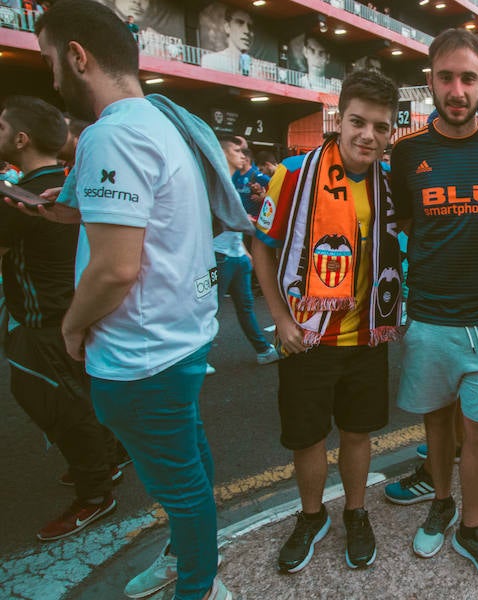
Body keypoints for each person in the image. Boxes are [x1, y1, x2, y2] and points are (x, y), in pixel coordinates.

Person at [32, 2, 253, 598]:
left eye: (52, 61)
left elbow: (113, 269)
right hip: (178, 339)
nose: (51, 77)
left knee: (180, 486)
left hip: (142, 354)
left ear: (78, 56)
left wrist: (72, 329)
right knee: (190, 468)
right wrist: (71, 208)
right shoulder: (163, 122)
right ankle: (187, 559)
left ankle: (199, 587)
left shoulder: (114, 133)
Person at [252, 69, 402, 574]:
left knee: (359, 434)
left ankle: (356, 513)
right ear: (340, 119)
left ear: (391, 131)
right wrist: (279, 318)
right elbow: (262, 247)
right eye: (358, 122)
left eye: (380, 127)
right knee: (307, 438)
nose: (368, 136)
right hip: (308, 336)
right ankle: (312, 516)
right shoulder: (293, 173)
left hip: (367, 335)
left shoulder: (390, 181)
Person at [390, 28, 478, 587]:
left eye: (468, 78)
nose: (456, 89)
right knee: (437, 424)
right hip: (429, 319)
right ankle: (441, 501)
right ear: (430, 82)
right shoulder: (407, 153)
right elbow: (407, 226)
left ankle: (472, 528)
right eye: (446, 77)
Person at [0, 95, 120, 542]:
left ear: (22, 139)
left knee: (57, 403)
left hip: (46, 319)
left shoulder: (21, 199)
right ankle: (105, 460)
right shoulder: (66, 185)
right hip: (72, 308)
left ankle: (95, 493)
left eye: (1, 127)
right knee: (81, 396)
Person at [210, 137, 277, 368]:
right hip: (218, 256)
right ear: (222, 151)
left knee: (245, 305)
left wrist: (243, 250)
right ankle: (195, 358)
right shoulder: (215, 182)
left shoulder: (234, 179)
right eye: (237, 150)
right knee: (209, 307)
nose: (243, 155)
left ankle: (263, 349)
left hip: (236, 255)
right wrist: (249, 224)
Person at [200, 7, 254, 73]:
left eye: (250, 26)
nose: (247, 31)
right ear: (227, 27)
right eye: (240, 23)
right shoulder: (211, 60)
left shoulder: (257, 67)